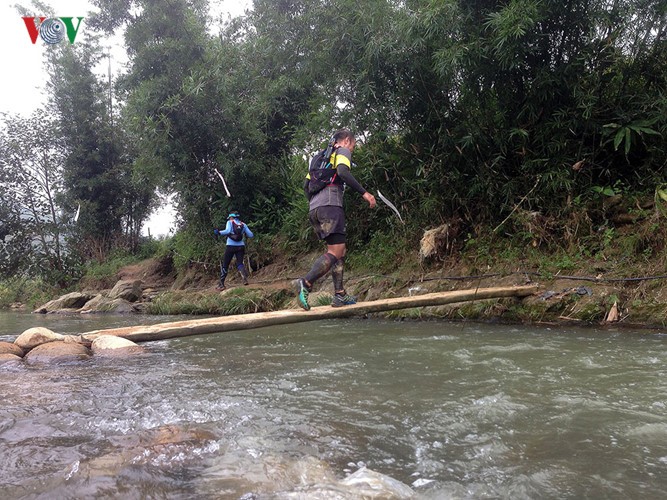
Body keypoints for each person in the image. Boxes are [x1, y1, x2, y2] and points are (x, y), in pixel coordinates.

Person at [296, 129, 376, 310]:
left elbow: (305, 186)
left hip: (315, 208)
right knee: (335, 251)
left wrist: (316, 203)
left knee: (340, 250)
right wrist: (365, 194)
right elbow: (342, 172)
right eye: (353, 146)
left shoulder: (318, 157)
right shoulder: (342, 150)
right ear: (347, 140)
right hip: (331, 206)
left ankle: (339, 295)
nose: (352, 150)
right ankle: (306, 282)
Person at [214, 212, 254, 291]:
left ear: (231, 217)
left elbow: (227, 231)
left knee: (225, 264)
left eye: (229, 218)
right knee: (240, 263)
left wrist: (218, 232)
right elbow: (251, 235)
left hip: (230, 246)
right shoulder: (243, 224)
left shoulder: (230, 222)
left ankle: (221, 284)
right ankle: (244, 278)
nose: (229, 219)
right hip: (241, 246)